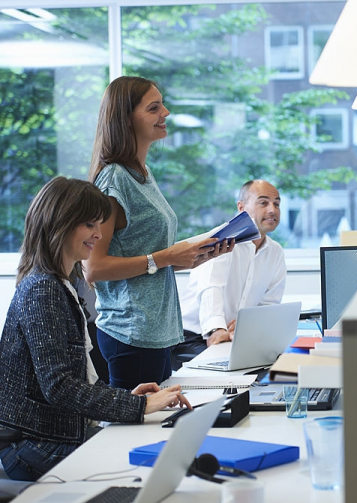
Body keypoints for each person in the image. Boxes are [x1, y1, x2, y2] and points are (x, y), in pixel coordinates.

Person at [0, 177, 191, 482]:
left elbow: (76, 381)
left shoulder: (59, 285)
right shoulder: (42, 289)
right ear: (59, 223)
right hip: (34, 447)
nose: (99, 234)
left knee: (157, 446)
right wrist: (138, 405)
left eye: (99, 224)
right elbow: (59, 387)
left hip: (54, 436)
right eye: (89, 224)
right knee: (150, 459)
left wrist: (125, 397)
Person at [84, 76, 232, 390]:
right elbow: (94, 268)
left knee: (162, 414)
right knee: (141, 419)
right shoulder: (113, 180)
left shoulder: (142, 173)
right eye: (154, 108)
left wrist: (194, 257)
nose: (165, 113)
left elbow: (145, 258)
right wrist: (165, 257)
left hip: (157, 332)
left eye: (162, 105)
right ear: (126, 119)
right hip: (131, 332)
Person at [172, 180, 286, 367]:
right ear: (241, 208)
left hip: (234, 336)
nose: (272, 210)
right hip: (191, 335)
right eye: (263, 202)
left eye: (277, 204)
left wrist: (248, 325)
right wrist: (216, 329)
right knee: (234, 365)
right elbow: (211, 288)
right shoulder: (223, 239)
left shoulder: (276, 252)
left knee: (276, 361)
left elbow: (269, 304)